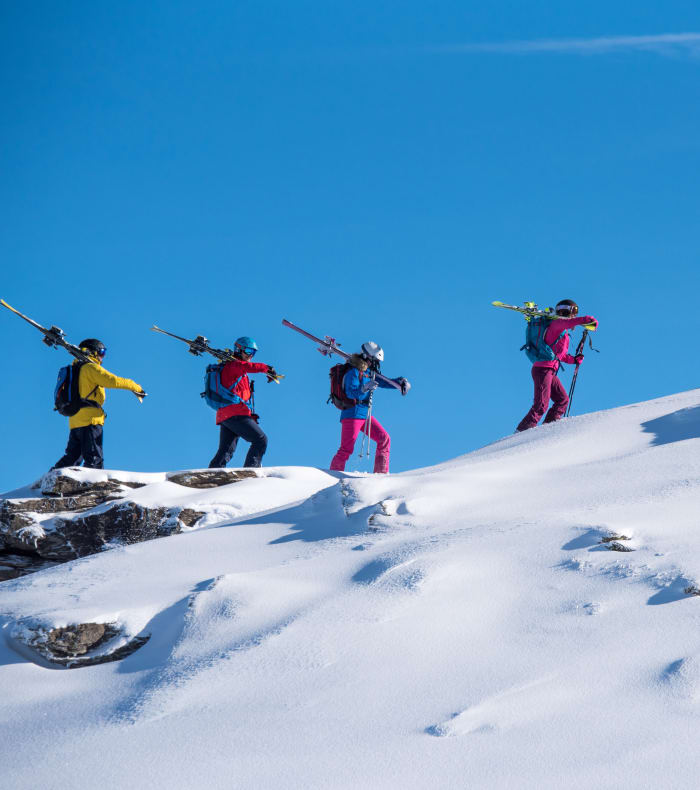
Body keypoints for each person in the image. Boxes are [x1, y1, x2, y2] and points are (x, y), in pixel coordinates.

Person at [53, 338, 146, 469]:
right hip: (91, 421)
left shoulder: (75, 369)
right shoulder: (90, 368)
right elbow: (113, 380)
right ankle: (92, 486)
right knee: (94, 459)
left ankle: (52, 479)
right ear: (93, 352)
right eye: (101, 352)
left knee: (72, 457)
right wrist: (135, 387)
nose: (103, 357)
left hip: (75, 420)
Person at [516, 299, 598, 432]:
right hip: (542, 370)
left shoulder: (562, 332)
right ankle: (520, 433)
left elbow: (559, 355)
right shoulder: (557, 325)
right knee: (541, 405)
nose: (575, 318)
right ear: (567, 312)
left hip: (549, 370)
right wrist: (586, 319)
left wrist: (574, 360)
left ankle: (548, 429)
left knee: (562, 400)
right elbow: (570, 322)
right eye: (573, 314)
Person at [329, 341, 410, 474]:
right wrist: (364, 388)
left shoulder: (369, 372)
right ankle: (330, 477)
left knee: (384, 439)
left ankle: (381, 474)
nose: (376, 364)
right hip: (352, 415)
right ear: (368, 357)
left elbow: (383, 381)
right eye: (375, 361)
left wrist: (400, 382)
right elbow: (350, 391)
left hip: (364, 415)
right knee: (346, 449)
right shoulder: (354, 371)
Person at [208, 336, 279, 468]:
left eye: (253, 352)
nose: (251, 355)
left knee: (226, 450)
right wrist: (267, 368)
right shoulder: (234, 365)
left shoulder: (237, 370)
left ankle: (213, 473)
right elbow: (250, 366)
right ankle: (251, 470)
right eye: (248, 351)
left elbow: (241, 393)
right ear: (238, 349)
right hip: (234, 414)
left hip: (227, 415)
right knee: (261, 440)